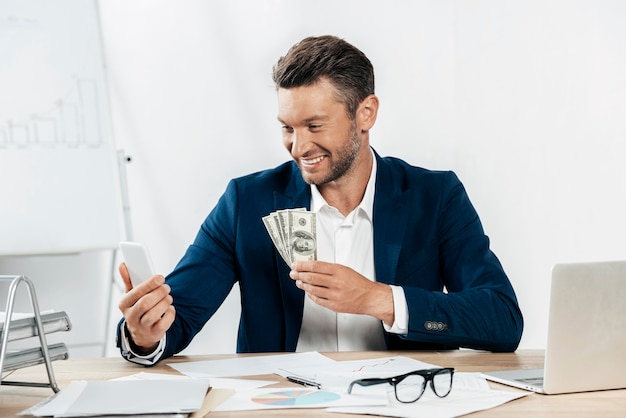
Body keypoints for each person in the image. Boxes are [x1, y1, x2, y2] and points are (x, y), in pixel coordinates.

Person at [117, 35, 523, 365]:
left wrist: (378, 298)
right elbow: (179, 317)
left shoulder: (435, 197)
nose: (298, 147)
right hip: (283, 408)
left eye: (314, 125)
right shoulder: (246, 202)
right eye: (287, 128)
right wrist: (146, 332)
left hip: (402, 402)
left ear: (365, 114)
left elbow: (502, 320)